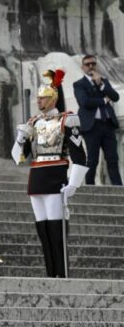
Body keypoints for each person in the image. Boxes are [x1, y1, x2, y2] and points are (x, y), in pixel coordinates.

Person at [12, 69, 88, 278]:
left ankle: (61, 274)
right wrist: (21, 137)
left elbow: (79, 155)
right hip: (36, 179)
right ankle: (50, 273)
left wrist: (73, 183)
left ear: (53, 98)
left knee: (57, 230)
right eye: (38, 98)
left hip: (56, 178)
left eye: (43, 97)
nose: (39, 101)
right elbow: (19, 158)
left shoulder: (67, 120)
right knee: (43, 231)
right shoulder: (34, 123)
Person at [72, 54, 121, 186]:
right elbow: (85, 102)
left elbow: (115, 97)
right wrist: (104, 100)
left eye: (93, 64)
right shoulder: (79, 84)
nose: (91, 66)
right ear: (83, 67)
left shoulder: (104, 81)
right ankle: (90, 187)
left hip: (108, 125)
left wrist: (102, 85)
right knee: (92, 160)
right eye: (87, 64)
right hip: (91, 127)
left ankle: (119, 189)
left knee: (112, 159)